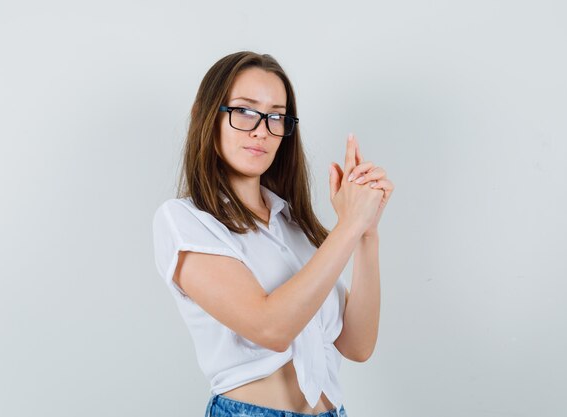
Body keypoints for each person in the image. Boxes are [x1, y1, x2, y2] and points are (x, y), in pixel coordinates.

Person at [152, 51, 393, 417]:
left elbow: (357, 345)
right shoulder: (185, 221)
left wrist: (366, 233)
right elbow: (270, 327)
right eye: (245, 111)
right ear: (206, 117)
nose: (261, 129)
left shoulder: (293, 224)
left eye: (276, 116)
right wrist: (347, 226)